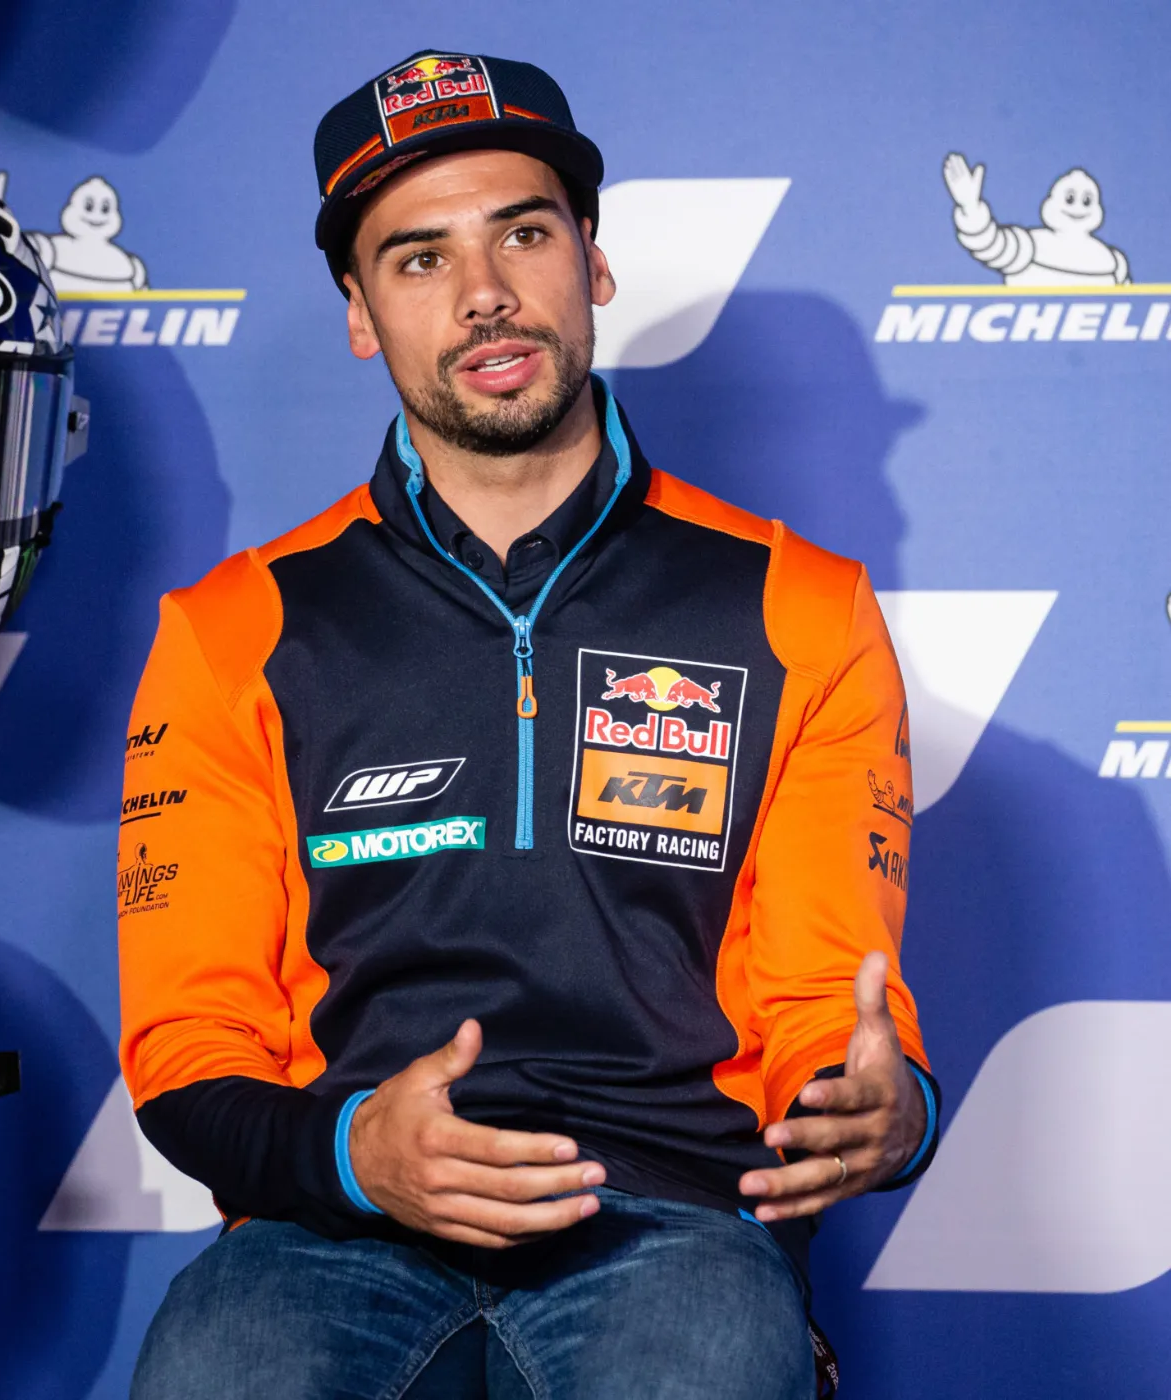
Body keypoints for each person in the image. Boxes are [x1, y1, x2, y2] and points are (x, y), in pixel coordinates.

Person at [119, 49, 940, 1400]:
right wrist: (354, 1155)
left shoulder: (801, 605)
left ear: (593, 260)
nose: (485, 292)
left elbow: (824, 1007)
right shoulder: (230, 628)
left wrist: (882, 1106)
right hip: (331, 1225)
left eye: (523, 233)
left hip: (670, 1209)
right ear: (359, 314)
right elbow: (188, 1052)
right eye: (420, 258)